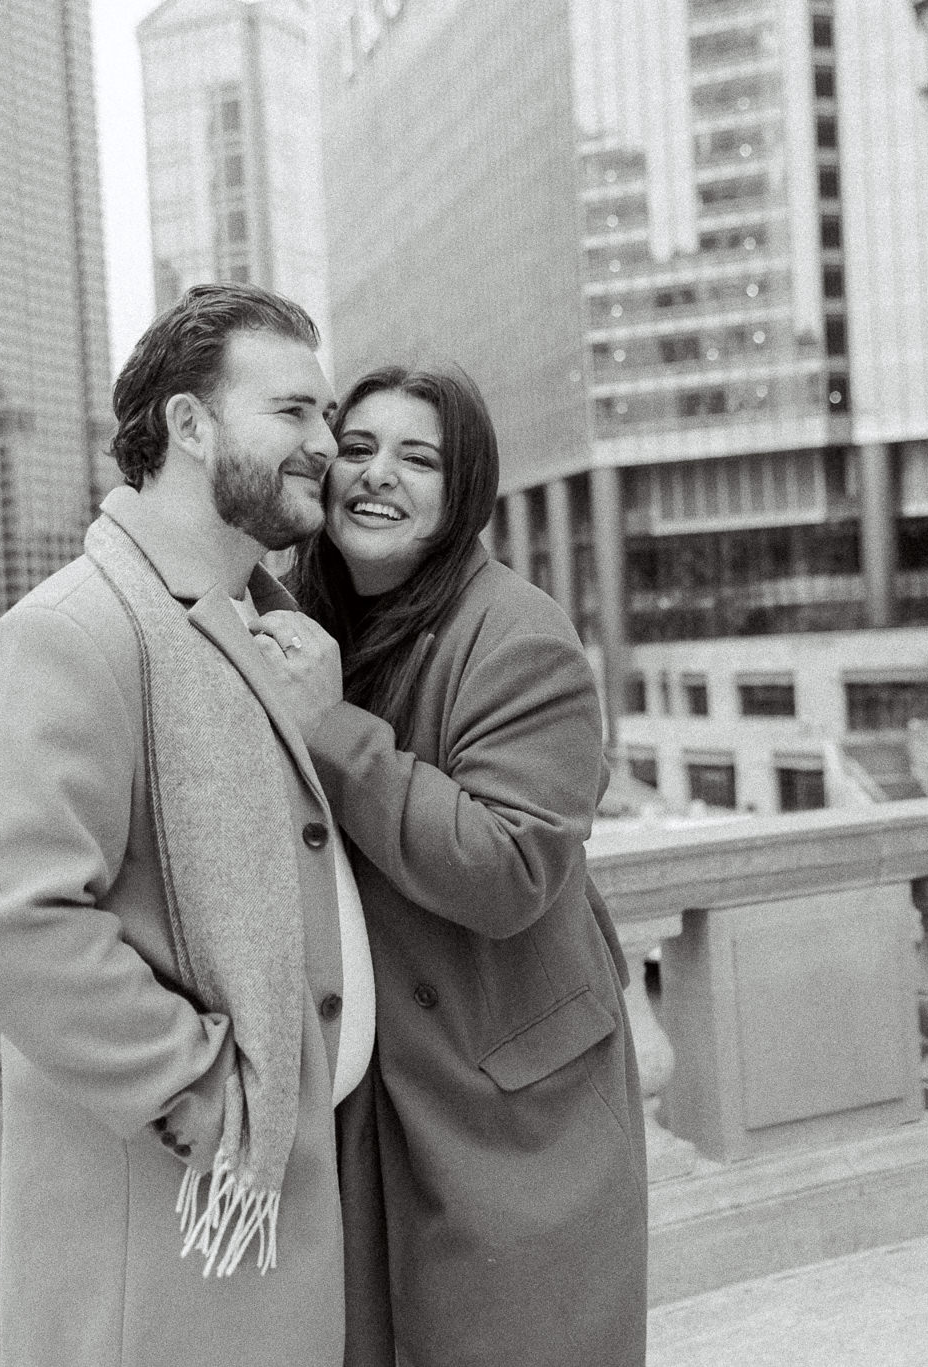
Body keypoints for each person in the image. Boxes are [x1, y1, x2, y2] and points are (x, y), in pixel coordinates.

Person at [0, 283, 376, 1365]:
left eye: (324, 415)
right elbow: (3, 920)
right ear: (187, 423)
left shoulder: (264, 627)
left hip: (267, 1200)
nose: (327, 444)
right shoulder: (73, 632)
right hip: (172, 1223)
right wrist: (201, 1091)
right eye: (292, 413)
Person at [252, 365, 649, 1367]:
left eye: (418, 458)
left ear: (460, 488)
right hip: (363, 1099)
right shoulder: (298, 619)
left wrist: (329, 727)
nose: (378, 476)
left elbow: (509, 864)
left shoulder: (518, 633)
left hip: (508, 1103)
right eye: (358, 447)